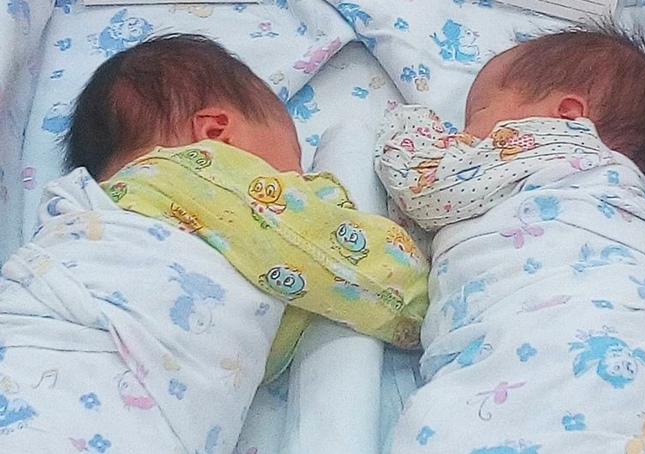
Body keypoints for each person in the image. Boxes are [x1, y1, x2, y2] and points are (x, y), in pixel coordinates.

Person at [0, 33, 428, 452]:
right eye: (292, 164)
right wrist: (425, 295)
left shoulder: (90, 212)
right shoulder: (204, 171)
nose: (296, 181)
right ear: (216, 132)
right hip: (78, 375)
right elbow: (329, 256)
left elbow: (268, 329)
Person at [375, 25, 645, 452]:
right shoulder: (634, 211)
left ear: (567, 114)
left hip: (546, 349)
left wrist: (408, 124)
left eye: (479, 115)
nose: (465, 137)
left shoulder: (550, 144)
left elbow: (426, 186)